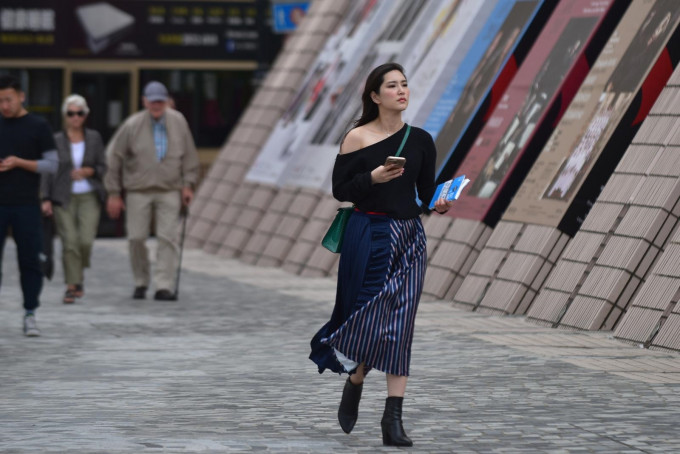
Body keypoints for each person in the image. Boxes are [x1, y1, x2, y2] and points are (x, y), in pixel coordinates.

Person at [309, 63, 453, 447]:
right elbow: (341, 190)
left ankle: (393, 418)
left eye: (405, 84)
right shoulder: (357, 138)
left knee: (400, 323)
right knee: (372, 317)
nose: (402, 91)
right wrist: (372, 178)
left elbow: (423, 194)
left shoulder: (420, 139)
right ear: (375, 96)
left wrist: (438, 202)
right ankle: (356, 379)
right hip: (370, 234)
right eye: (392, 86)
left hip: (410, 238)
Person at [104, 81, 198, 301]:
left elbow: (189, 156)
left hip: (170, 188)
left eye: (160, 100)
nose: (156, 104)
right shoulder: (132, 124)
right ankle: (141, 281)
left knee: (168, 238)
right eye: (152, 100)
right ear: (144, 101)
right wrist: (114, 193)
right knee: (136, 238)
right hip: (139, 189)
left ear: (166, 101)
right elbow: (113, 157)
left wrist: (188, 184)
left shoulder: (178, 121)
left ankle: (163, 285)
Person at [0, 74, 58, 336]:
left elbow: (52, 164)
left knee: (30, 262)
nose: (4, 106)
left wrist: (19, 162)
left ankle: (30, 312)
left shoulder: (38, 125)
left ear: (21, 96)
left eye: (8, 100)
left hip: (26, 204)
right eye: (0, 101)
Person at [41, 94, 107, 304]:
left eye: (79, 113)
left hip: (89, 195)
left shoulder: (94, 138)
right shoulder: (56, 140)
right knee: (70, 241)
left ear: (85, 115)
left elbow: (104, 167)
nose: (75, 117)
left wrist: (89, 170)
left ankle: (77, 274)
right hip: (63, 196)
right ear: (65, 116)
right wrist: (45, 198)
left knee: (85, 241)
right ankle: (72, 285)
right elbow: (47, 170)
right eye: (71, 113)